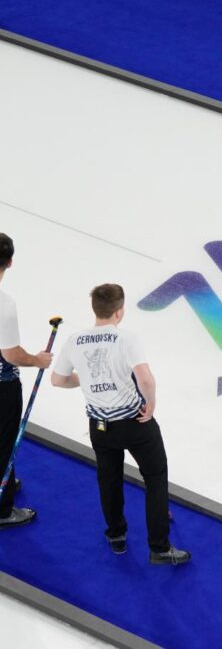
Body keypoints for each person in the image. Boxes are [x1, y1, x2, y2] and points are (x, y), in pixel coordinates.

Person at [50, 284, 190, 564]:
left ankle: (116, 535)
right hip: (135, 422)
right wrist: (151, 404)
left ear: (96, 310)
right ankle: (160, 547)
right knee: (155, 478)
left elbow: (58, 380)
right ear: (119, 311)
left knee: (109, 479)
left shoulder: (74, 340)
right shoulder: (126, 338)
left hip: (100, 426)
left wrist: (85, 380)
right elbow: (146, 378)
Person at [0, 233, 53, 529]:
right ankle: (3, 509)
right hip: (2, 384)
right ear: (10, 262)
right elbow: (11, 354)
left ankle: (6, 481)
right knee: (5, 441)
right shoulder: (3, 305)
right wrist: (37, 360)